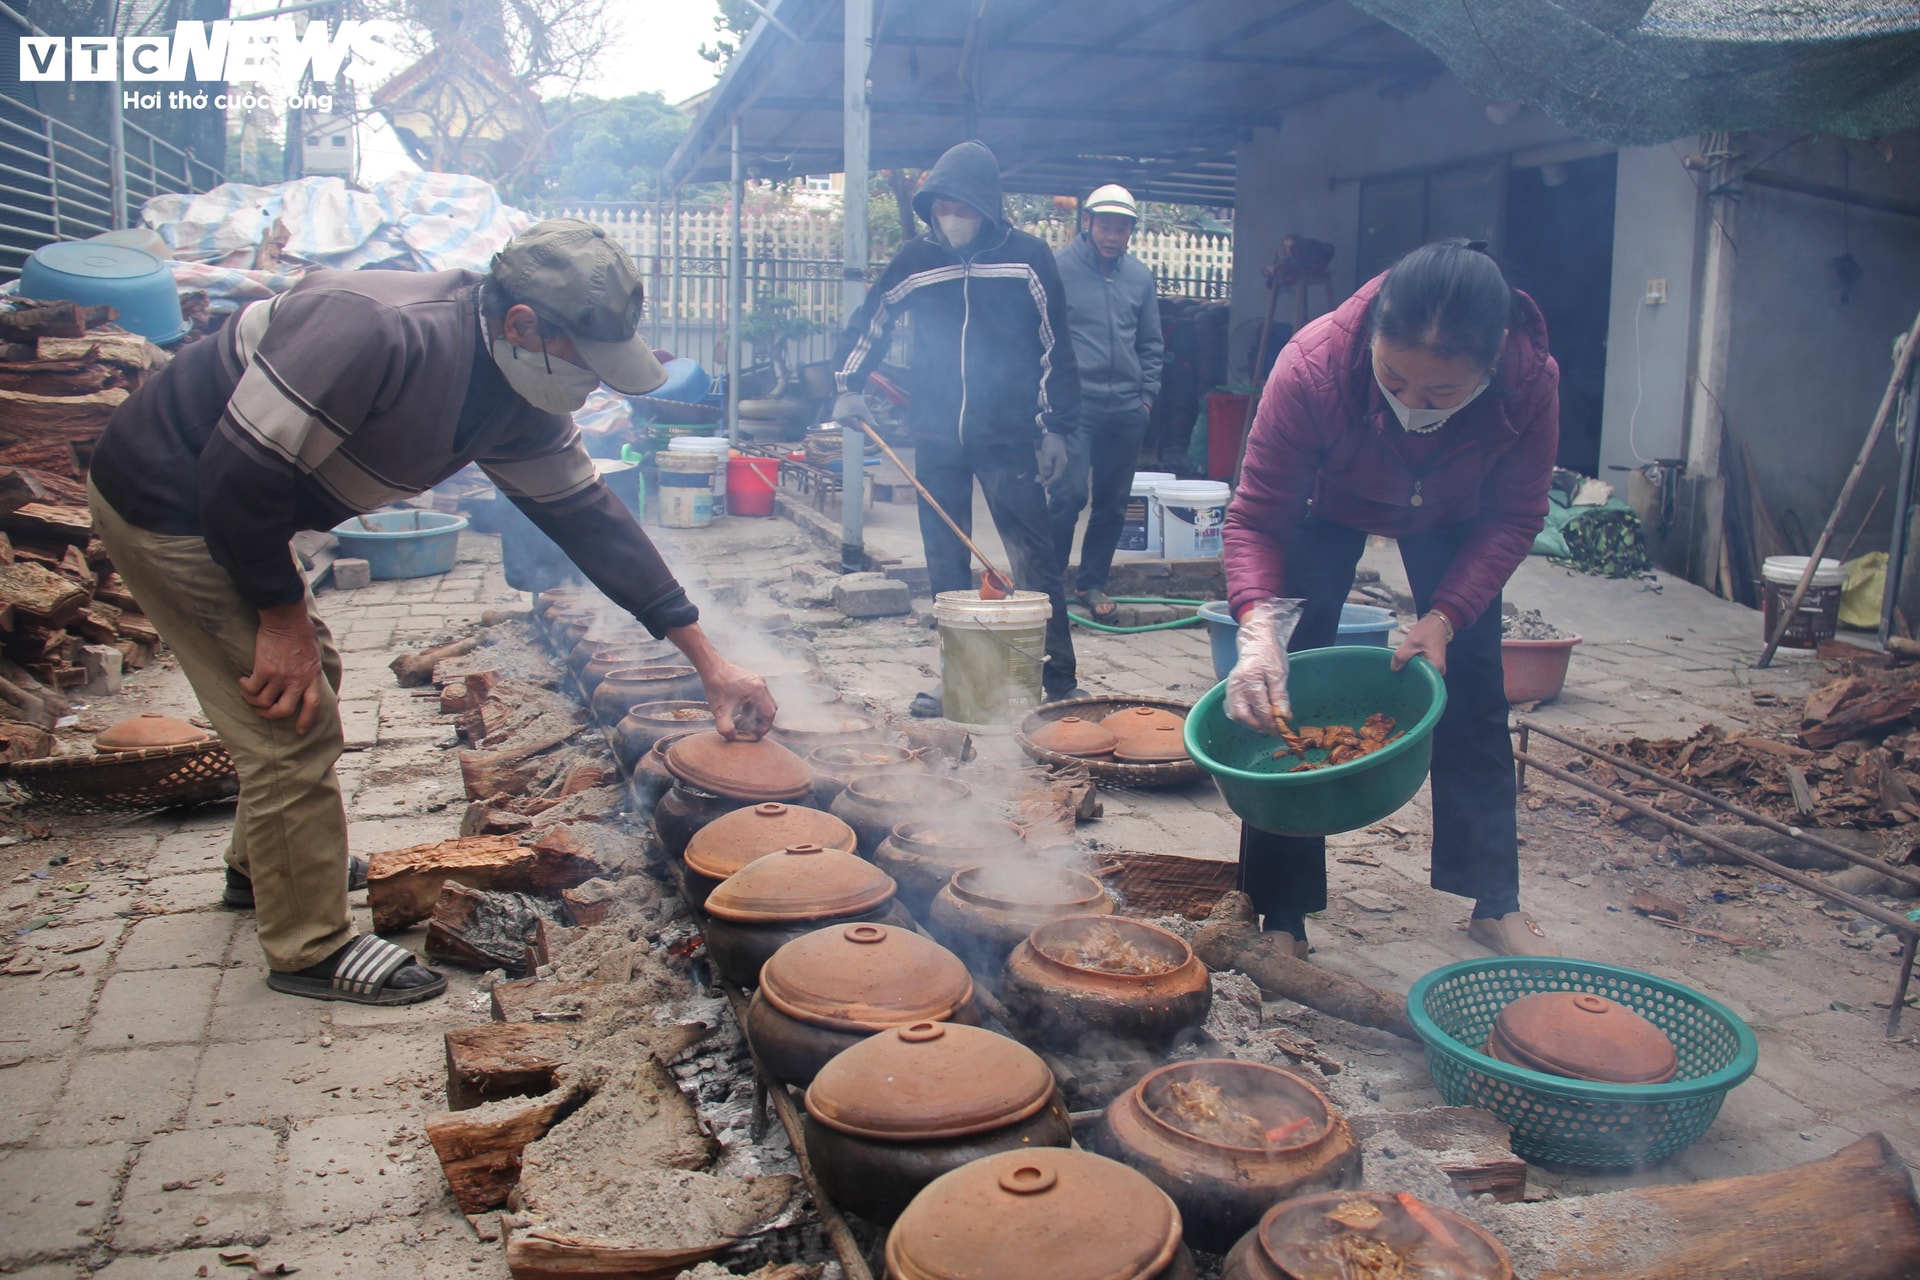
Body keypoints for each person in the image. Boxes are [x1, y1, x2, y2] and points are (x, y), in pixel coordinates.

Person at [87, 219, 778, 1006]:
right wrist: (280, 622)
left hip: (243, 506)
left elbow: (589, 518)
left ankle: (268, 867)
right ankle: (308, 947)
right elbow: (237, 479)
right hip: (173, 501)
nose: (594, 386)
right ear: (522, 324)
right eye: (587, 363)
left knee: (316, 675)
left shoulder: (516, 393)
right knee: (290, 721)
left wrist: (709, 661)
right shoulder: (372, 328)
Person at [1221, 239, 1559, 958]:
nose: (1413, 405)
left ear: (1493, 360)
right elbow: (1256, 517)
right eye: (1394, 380)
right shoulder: (1312, 366)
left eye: (1441, 394)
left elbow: (1516, 516)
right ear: (1372, 338)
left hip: (1456, 512)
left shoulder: (1530, 380)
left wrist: (1445, 615)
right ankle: (1280, 912)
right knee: (1291, 681)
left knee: (1470, 687)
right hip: (1329, 501)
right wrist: (1256, 627)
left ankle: (1492, 901)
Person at [833, 140, 1084, 716]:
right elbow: (871, 321)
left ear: (989, 208)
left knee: (1033, 561)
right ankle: (962, 681)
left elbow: (1055, 346)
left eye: (965, 208)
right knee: (945, 563)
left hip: (1009, 433)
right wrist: (848, 386)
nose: (953, 218)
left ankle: (1060, 682)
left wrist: (1055, 428)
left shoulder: (1028, 257)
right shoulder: (917, 259)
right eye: (943, 206)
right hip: (938, 434)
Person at [1048, 184, 1163, 621]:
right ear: (1088, 223)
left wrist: (1146, 398)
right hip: (1077, 406)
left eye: (1122, 228)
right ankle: (1049, 579)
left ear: (1131, 231)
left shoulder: (1138, 276)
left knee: (1114, 501)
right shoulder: (1059, 269)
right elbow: (1043, 338)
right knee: (1068, 494)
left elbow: (1152, 343)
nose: (1113, 236)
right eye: (1106, 226)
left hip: (1128, 409)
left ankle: (1092, 583)